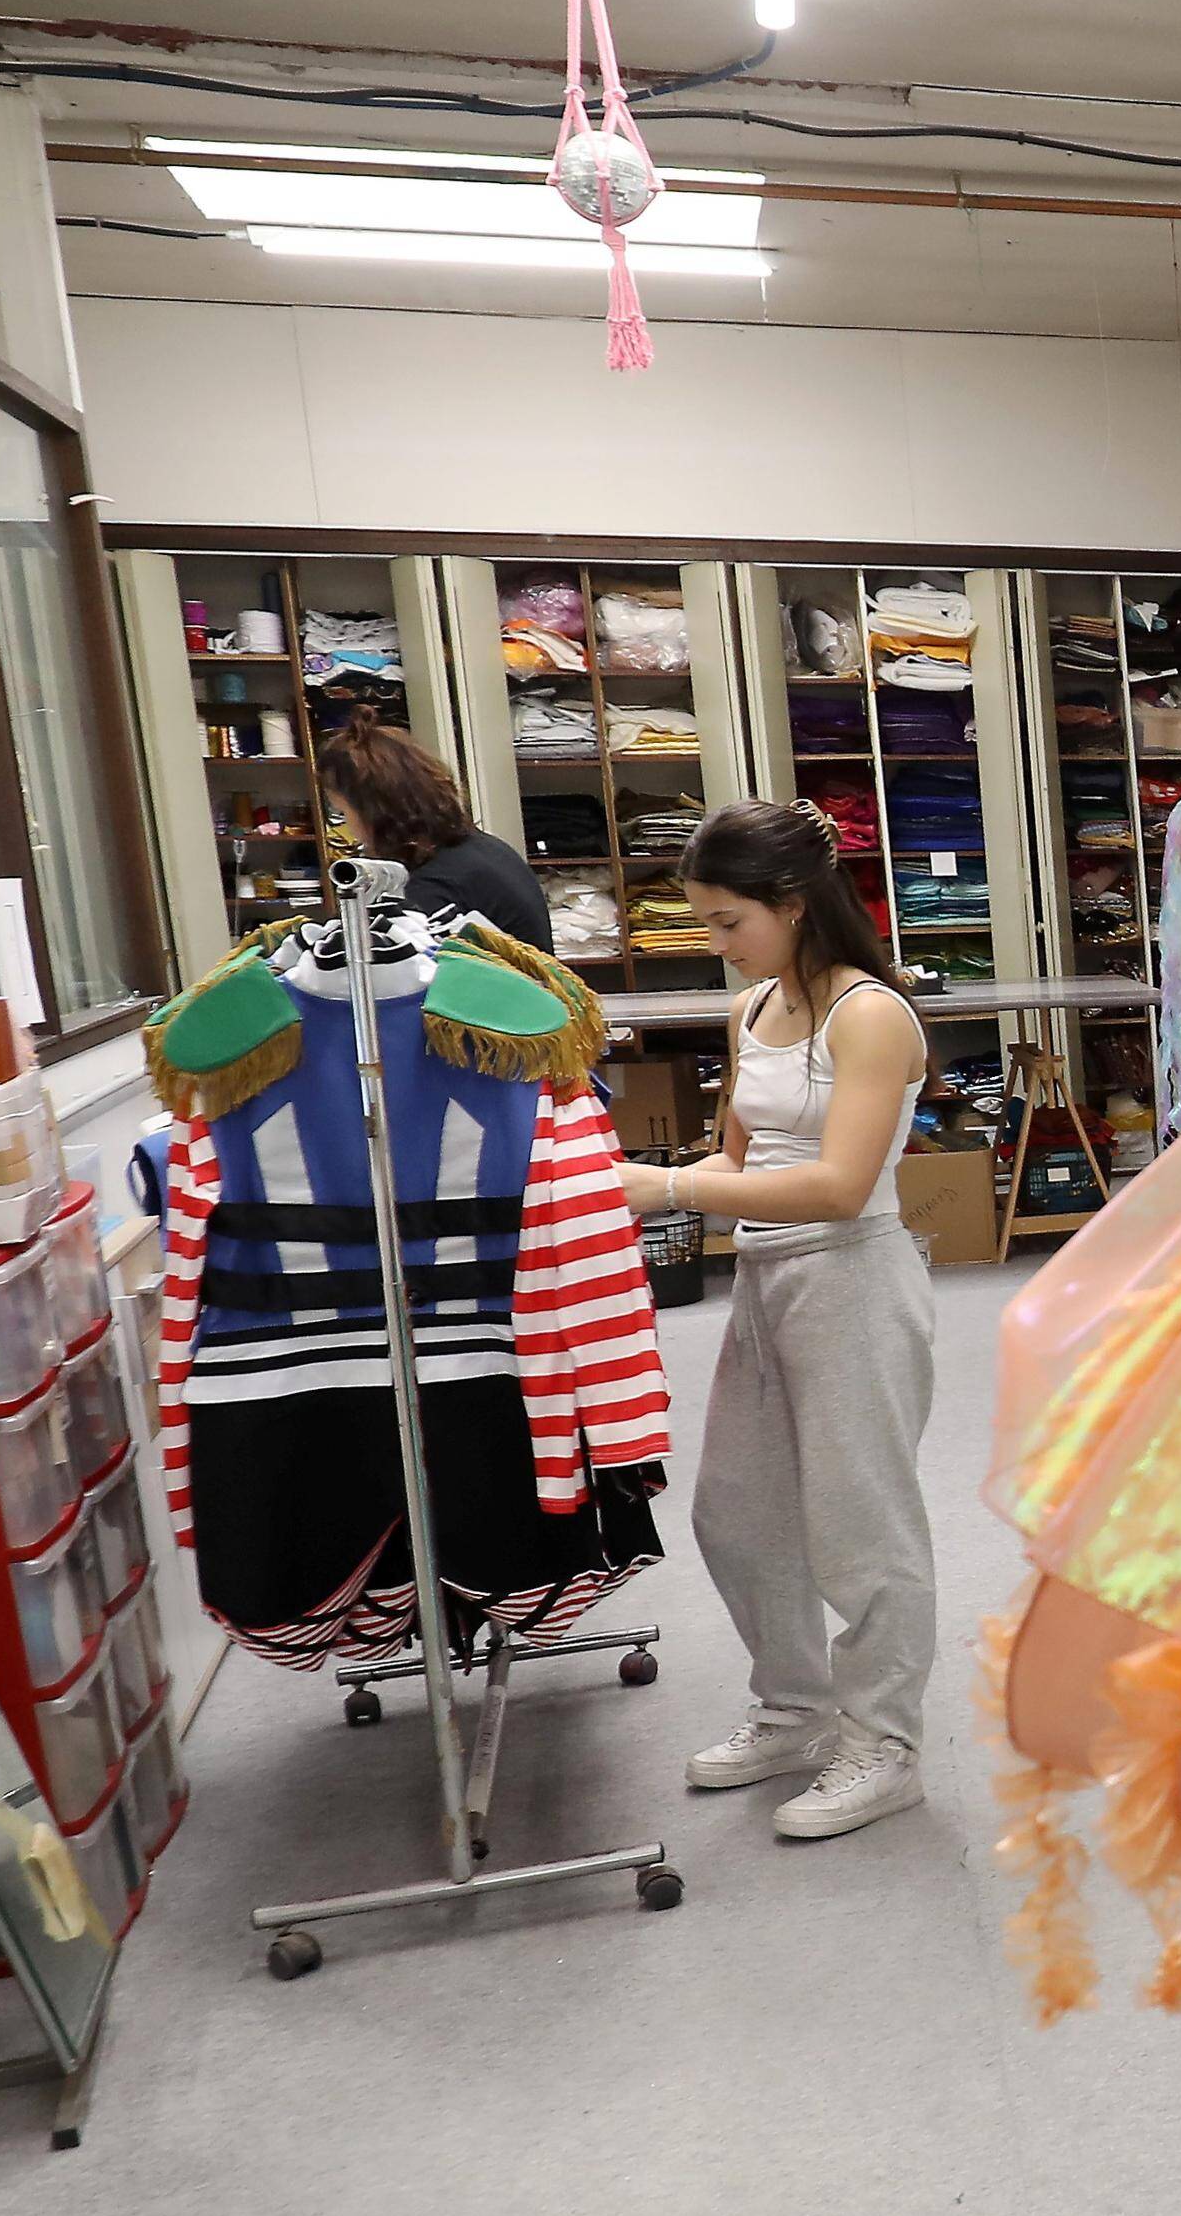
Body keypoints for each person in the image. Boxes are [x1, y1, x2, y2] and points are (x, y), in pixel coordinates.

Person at [622, 802, 937, 1842]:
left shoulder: (871, 1016)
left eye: (726, 923)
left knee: (859, 1526)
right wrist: (597, 1182)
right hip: (763, 1279)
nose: (715, 946)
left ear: (792, 906)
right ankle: (797, 1712)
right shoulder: (753, 1010)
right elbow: (740, 1164)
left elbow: (843, 1184)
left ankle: (882, 1743)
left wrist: (663, 1192)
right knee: (739, 1516)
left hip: (851, 1276)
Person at [315, 718, 551, 953]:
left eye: (344, 813)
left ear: (373, 812)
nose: (349, 828)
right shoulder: (483, 849)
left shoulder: (428, 889)